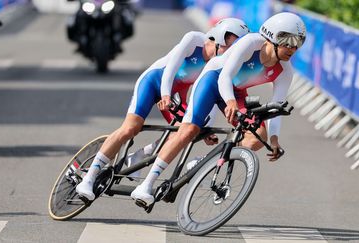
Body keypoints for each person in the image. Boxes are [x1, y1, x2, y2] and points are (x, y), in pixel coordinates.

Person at [132, 12, 306, 205]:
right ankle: (146, 184)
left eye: (299, 41)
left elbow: (276, 109)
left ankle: (203, 162)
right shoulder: (251, 42)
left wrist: (274, 140)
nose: (293, 47)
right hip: (213, 80)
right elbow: (224, 76)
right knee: (189, 130)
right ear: (271, 36)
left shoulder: (285, 71)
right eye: (287, 40)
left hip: (235, 91)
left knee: (258, 136)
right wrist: (230, 102)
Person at [76, 18, 250, 201]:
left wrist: (207, 128)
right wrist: (166, 95)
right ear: (220, 38)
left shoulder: (220, 63)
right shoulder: (194, 40)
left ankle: (140, 156)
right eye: (231, 47)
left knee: (185, 132)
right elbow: (171, 68)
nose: (233, 54)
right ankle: (88, 178)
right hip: (154, 82)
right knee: (130, 128)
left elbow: (209, 97)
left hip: (176, 93)